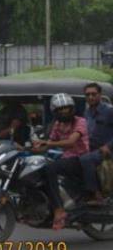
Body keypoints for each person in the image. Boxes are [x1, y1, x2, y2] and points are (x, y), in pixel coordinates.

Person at [32, 93, 89, 230]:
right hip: (66, 159)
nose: (64, 112)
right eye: (60, 110)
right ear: (55, 112)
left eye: (67, 109)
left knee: (50, 168)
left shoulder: (80, 121)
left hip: (80, 159)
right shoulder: (57, 124)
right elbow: (49, 143)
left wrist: (47, 143)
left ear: (72, 109)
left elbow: (71, 142)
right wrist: (29, 148)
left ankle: (59, 209)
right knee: (39, 168)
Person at [80, 83, 113, 204]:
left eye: (94, 94)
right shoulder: (86, 113)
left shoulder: (109, 111)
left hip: (107, 151)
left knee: (85, 160)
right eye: (87, 94)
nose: (90, 97)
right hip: (91, 149)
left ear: (100, 95)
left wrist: (108, 146)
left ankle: (96, 195)